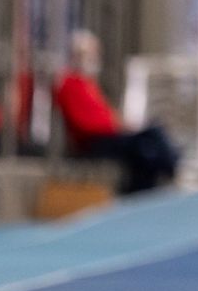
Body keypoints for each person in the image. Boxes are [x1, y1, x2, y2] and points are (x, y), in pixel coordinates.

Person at [57, 31, 178, 195]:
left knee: (151, 137)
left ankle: (156, 180)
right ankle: (168, 170)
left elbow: (105, 115)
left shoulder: (88, 84)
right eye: (89, 54)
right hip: (94, 142)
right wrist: (116, 126)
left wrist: (119, 124)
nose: (94, 58)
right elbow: (84, 124)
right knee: (144, 145)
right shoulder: (69, 84)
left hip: (108, 135)